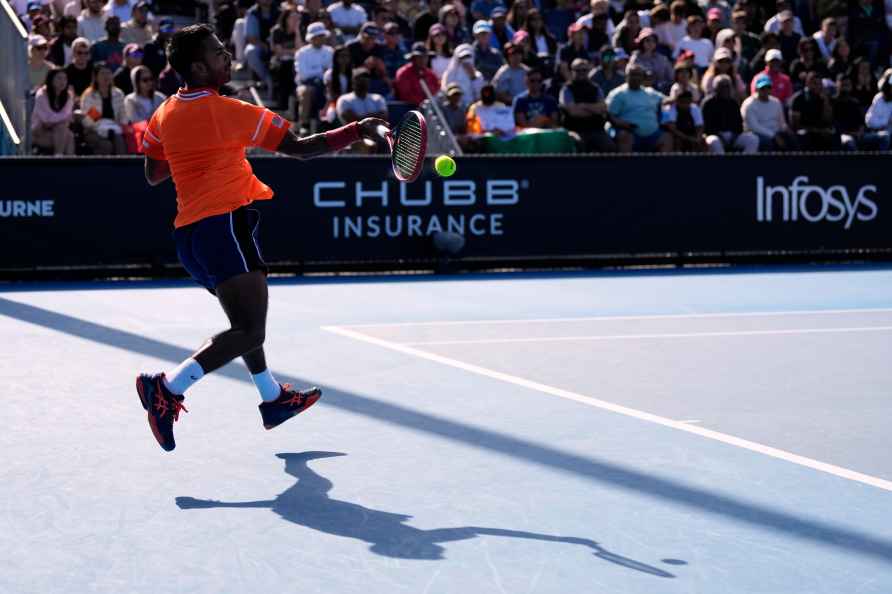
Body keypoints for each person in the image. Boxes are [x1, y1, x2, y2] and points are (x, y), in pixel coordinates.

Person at [137, 24, 388, 452]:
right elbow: (301, 148)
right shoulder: (230, 110)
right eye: (218, 53)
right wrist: (356, 130)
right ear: (198, 67)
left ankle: (273, 399)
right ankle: (169, 388)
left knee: (244, 326)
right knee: (250, 330)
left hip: (191, 238)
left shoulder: (164, 113)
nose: (227, 57)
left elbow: (154, 173)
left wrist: (200, 154)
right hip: (224, 227)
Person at [606, 63, 670, 152]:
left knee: (666, 138)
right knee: (625, 136)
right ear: (626, 76)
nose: (635, 77)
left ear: (643, 77)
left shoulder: (650, 92)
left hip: (653, 134)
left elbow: (667, 100)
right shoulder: (618, 94)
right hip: (629, 133)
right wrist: (624, 124)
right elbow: (609, 116)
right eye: (632, 74)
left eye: (638, 75)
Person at [559, 58, 614, 151]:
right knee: (579, 143)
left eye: (584, 70)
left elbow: (602, 109)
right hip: (574, 129)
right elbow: (574, 112)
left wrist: (583, 106)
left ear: (588, 71)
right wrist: (593, 109)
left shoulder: (596, 88)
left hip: (596, 129)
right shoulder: (566, 89)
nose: (581, 73)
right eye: (577, 70)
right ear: (572, 71)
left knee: (610, 146)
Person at [702, 74, 758, 153]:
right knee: (714, 141)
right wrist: (720, 136)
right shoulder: (708, 103)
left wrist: (734, 136)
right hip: (715, 136)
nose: (725, 89)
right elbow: (707, 127)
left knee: (753, 139)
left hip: (733, 136)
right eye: (722, 86)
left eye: (727, 86)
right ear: (715, 88)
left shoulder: (733, 103)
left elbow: (739, 125)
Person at [80, 61, 127, 154]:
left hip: (115, 128)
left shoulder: (118, 93)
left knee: (119, 141)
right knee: (106, 146)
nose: (106, 76)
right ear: (96, 77)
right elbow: (87, 118)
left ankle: (122, 167)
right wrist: (103, 125)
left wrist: (118, 125)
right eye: (102, 73)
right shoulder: (89, 95)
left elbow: (123, 115)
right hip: (93, 130)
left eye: (108, 73)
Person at [295, 22, 334, 135]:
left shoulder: (330, 51)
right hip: (305, 84)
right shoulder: (302, 53)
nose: (320, 38)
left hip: (325, 84)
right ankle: (304, 124)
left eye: (322, 36)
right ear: (311, 38)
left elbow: (331, 71)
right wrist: (321, 71)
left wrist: (318, 73)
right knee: (306, 92)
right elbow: (303, 75)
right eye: (317, 36)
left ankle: (328, 121)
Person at [335, 67, 387, 152]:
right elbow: (351, 121)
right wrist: (374, 116)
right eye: (359, 78)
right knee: (368, 145)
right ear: (353, 81)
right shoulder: (344, 99)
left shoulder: (378, 98)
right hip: (352, 137)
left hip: (376, 135)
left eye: (366, 78)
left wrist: (361, 117)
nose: (363, 81)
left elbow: (384, 117)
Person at [741, 74, 794, 150]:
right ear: (757, 89)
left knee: (793, 139)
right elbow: (754, 127)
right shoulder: (749, 104)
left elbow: (781, 123)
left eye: (768, 87)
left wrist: (787, 130)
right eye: (762, 88)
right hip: (757, 134)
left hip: (776, 133)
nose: (765, 90)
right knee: (767, 142)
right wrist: (773, 136)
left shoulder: (776, 102)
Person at [31, 67, 76, 155]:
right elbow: (46, 119)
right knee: (66, 135)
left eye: (65, 78)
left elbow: (65, 116)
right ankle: (63, 160)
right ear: (51, 79)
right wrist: (64, 119)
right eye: (59, 78)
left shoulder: (68, 96)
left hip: (58, 132)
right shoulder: (41, 94)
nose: (62, 81)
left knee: (66, 133)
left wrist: (60, 120)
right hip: (39, 133)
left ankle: (60, 157)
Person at [394, 41, 440, 105]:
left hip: (429, 108)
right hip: (408, 108)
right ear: (413, 58)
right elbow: (405, 95)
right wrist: (423, 102)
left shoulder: (431, 74)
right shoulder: (403, 73)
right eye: (419, 57)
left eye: (425, 57)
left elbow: (437, 90)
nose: (423, 60)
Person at [630, 27, 672, 92]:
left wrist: (661, 85)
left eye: (653, 41)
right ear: (642, 42)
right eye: (647, 40)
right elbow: (633, 77)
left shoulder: (662, 58)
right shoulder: (635, 58)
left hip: (661, 91)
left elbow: (670, 77)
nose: (650, 43)